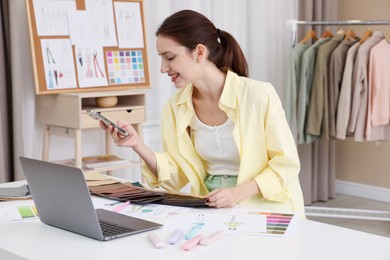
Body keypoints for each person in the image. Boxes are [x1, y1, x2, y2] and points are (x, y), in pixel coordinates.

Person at [101, 10, 305, 218]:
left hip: (267, 208)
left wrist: (236, 194)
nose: (163, 68)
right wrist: (137, 145)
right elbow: (175, 175)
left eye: (169, 58)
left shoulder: (258, 96)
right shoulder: (176, 107)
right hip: (211, 210)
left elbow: (286, 165)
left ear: (199, 52)